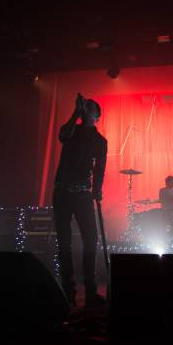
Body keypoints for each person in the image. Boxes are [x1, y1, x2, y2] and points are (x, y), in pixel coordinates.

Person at [53, 93, 107, 308]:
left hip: (83, 194)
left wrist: (97, 190)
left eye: (90, 107)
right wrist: (76, 111)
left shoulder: (99, 141)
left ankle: (91, 292)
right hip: (63, 193)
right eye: (85, 106)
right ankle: (69, 292)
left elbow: (100, 169)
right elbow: (63, 135)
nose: (86, 108)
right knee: (64, 242)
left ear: (97, 116)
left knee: (91, 239)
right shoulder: (72, 131)